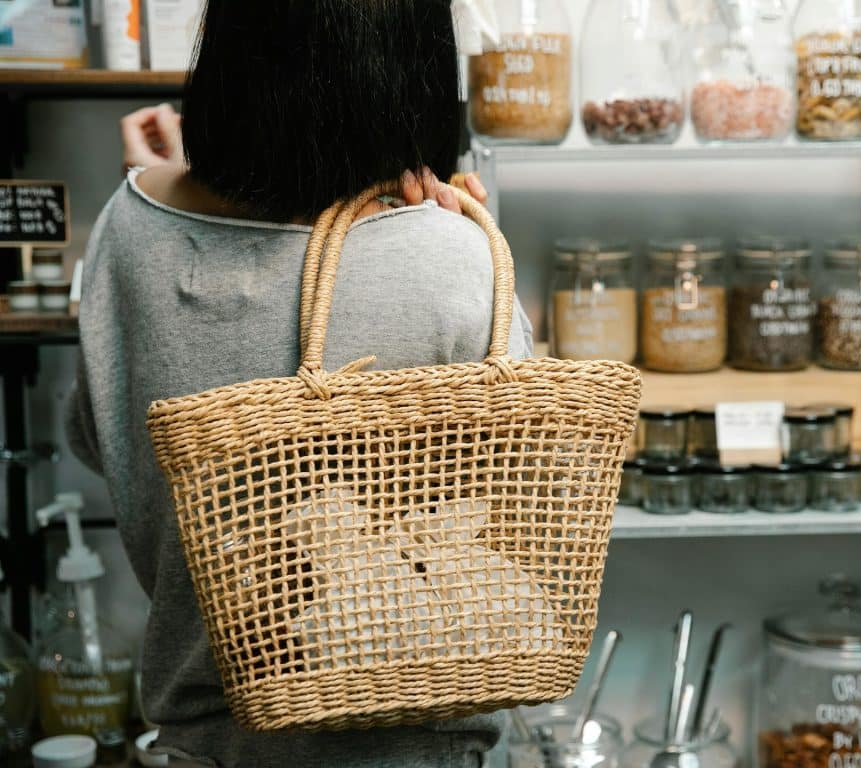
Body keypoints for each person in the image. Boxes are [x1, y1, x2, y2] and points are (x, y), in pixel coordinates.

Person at [67, 2, 533, 766]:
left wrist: (152, 186)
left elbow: (100, 441)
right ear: (410, 61)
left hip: (203, 746)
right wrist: (472, 249)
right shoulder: (451, 257)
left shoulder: (126, 226)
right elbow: (523, 500)